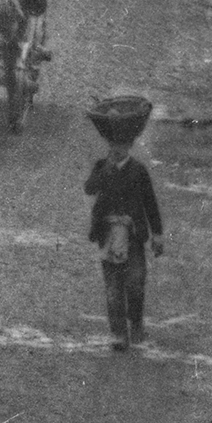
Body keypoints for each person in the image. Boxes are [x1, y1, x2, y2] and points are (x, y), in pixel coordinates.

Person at [84, 134, 165, 350]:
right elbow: (89, 188)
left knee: (136, 284)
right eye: (112, 144)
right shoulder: (102, 167)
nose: (115, 149)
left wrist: (157, 234)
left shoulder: (138, 171)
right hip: (108, 235)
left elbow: (150, 203)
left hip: (133, 236)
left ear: (129, 145)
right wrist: (105, 169)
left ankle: (136, 322)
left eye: (120, 144)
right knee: (113, 289)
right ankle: (119, 333)